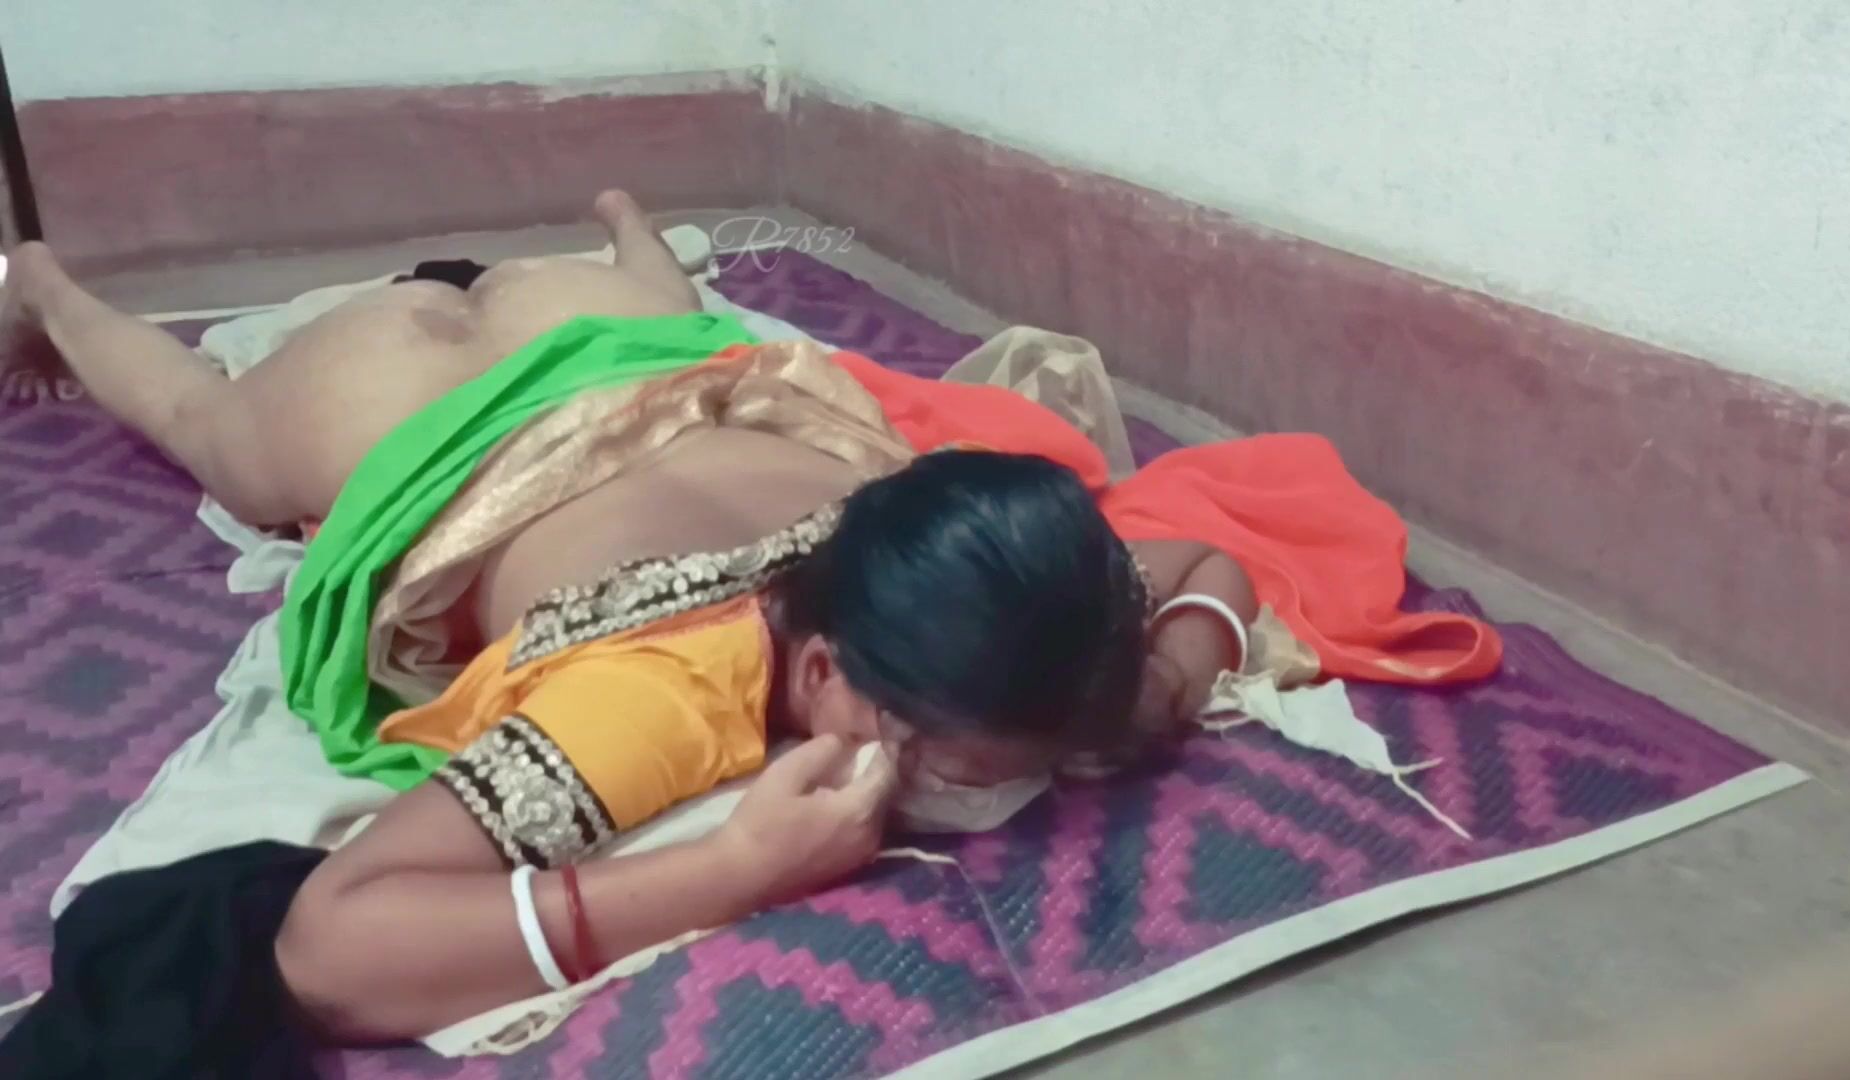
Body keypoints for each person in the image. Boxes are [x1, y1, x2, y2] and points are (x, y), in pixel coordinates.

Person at [0, 191, 1278, 1041]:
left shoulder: (965, 573)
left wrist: (1158, 687)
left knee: (675, 322)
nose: (985, 795)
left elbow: (1199, 563)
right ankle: (41, 284)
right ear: (819, 670)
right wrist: (726, 872)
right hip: (398, 404)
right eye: (948, 765)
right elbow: (327, 950)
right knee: (211, 429)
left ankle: (624, 224)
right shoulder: (658, 691)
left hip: (634, 348)